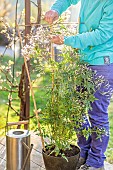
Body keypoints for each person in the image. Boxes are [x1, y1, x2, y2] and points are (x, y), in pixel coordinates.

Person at [44, 0, 113, 170]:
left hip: (101, 62)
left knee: (97, 115)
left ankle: (96, 162)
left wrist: (68, 40)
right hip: (82, 60)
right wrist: (55, 9)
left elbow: (102, 34)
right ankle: (84, 151)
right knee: (74, 109)